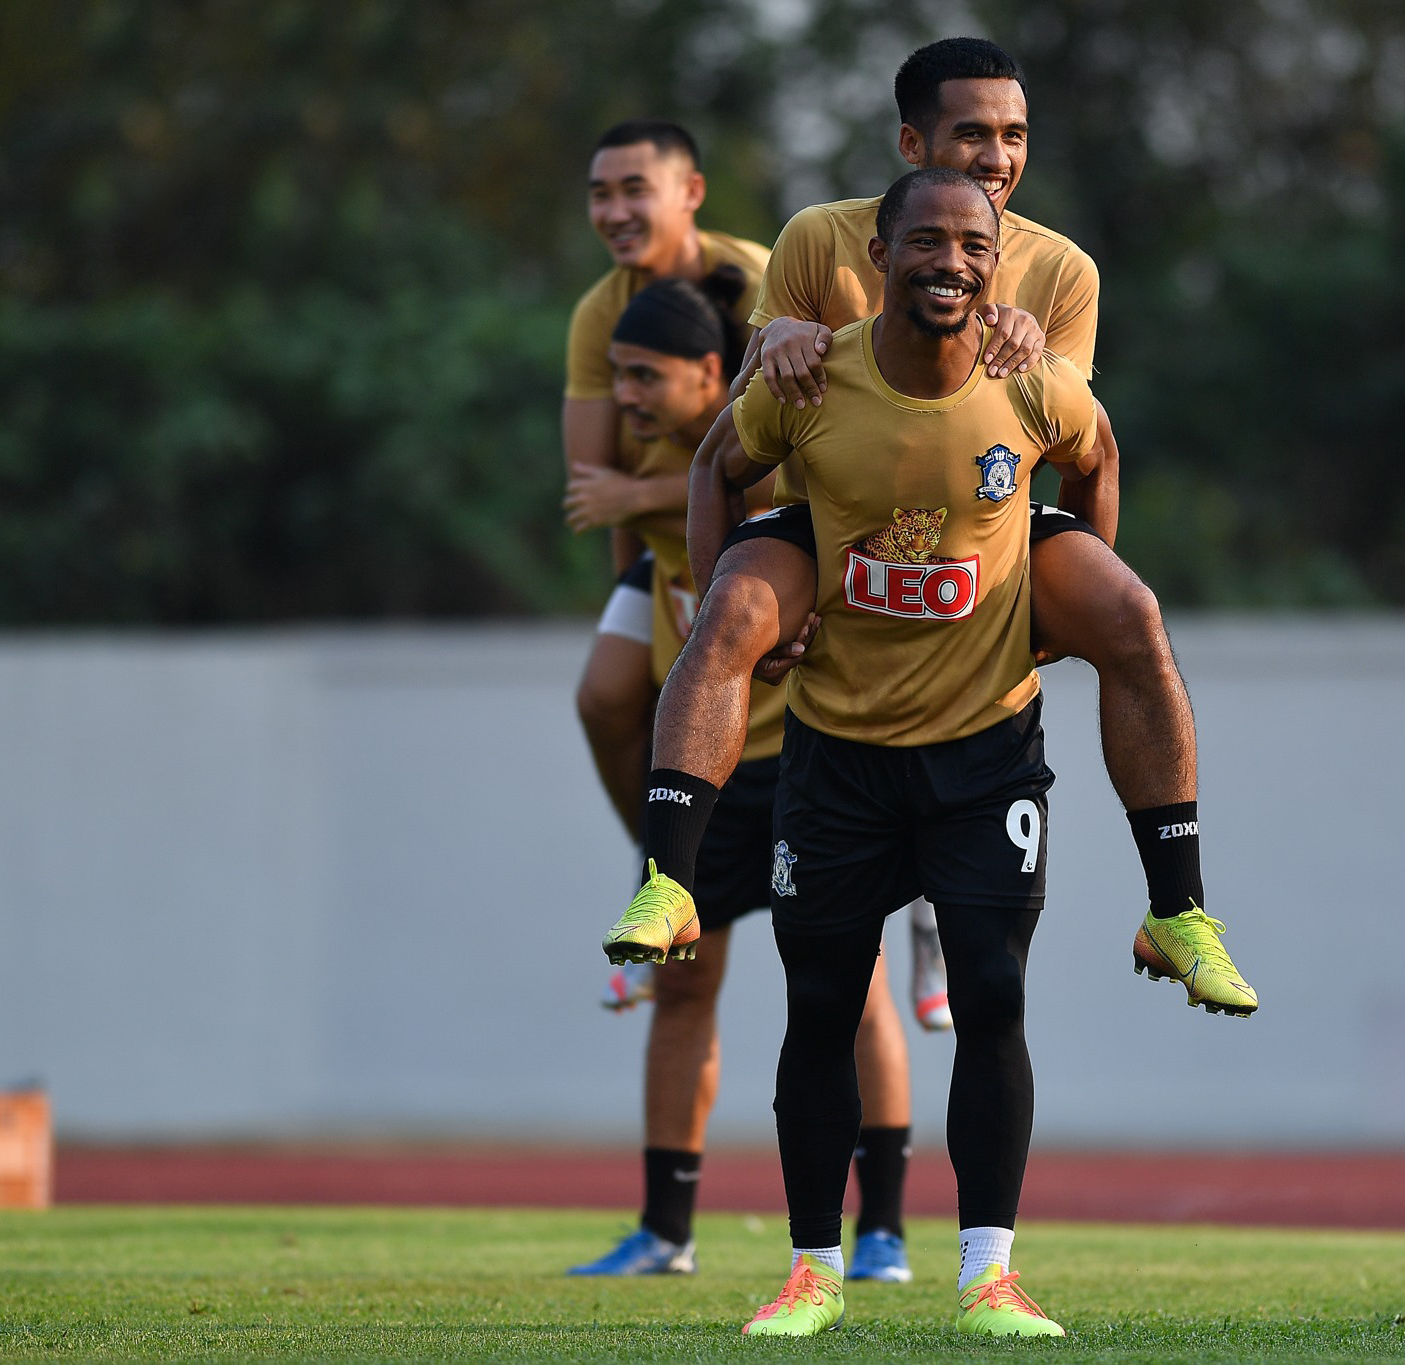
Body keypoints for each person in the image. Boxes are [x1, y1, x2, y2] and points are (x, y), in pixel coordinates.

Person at [614, 167, 1100, 1334]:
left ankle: (987, 1275)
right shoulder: (810, 373)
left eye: (972, 244)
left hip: (984, 749)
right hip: (838, 749)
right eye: (925, 240)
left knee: (991, 995)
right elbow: (716, 466)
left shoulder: (1029, 372)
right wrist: (728, 593)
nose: (950, 260)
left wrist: (1061, 595)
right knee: (822, 1002)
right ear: (878, 258)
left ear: (997, 261)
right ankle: (811, 1273)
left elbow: (1097, 456)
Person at [686, 38, 1259, 1015]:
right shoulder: (818, 238)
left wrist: (1056, 605)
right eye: (972, 134)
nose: (997, 156)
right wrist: (772, 338)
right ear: (911, 145)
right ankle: (668, 877)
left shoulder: (1063, 271)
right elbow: (743, 429)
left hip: (983, 530)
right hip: (835, 524)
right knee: (720, 626)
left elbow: (1076, 440)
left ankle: (1177, 906)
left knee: (1132, 616)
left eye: (1015, 135)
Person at [562, 176, 916, 1285]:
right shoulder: (650, 465)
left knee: (849, 989)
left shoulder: (765, 446)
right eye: (617, 375)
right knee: (682, 987)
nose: (624, 395)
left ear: (713, 377)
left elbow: (773, 508)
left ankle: (884, 1230)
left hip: (806, 756)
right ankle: (664, 1230)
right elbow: (638, 551)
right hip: (709, 771)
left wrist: (636, 502)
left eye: (646, 376)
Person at [567, 119, 956, 1035]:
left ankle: (925, 905)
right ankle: (661, 866)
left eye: (634, 189)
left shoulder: (761, 271)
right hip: (672, 546)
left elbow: (803, 438)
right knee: (606, 693)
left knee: (900, 698)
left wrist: (646, 497)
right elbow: (596, 487)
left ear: (691, 194)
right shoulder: (597, 312)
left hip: (781, 524)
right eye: (599, 193)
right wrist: (646, 579)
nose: (615, 211)